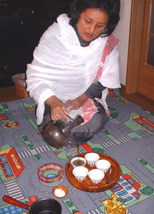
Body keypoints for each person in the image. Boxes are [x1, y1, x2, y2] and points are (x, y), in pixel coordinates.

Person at [26, 0, 121, 145]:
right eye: (87, 21)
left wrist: (82, 98)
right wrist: (53, 101)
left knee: (94, 123)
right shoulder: (56, 35)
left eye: (100, 26)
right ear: (78, 14)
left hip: (86, 96)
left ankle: (69, 135)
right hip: (54, 96)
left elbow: (106, 77)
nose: (91, 30)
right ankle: (65, 132)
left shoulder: (106, 42)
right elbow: (35, 76)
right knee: (51, 128)